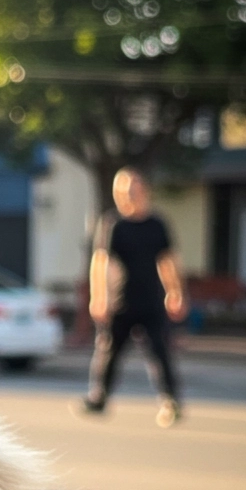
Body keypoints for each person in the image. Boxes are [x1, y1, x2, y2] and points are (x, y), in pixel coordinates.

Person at [82, 168, 187, 427]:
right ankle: (99, 398)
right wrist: (99, 297)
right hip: (120, 302)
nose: (129, 195)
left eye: (134, 189)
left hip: (151, 300)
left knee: (159, 353)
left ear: (144, 192)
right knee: (108, 351)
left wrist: (176, 292)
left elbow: (168, 261)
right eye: (124, 191)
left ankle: (169, 401)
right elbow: (100, 262)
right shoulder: (112, 223)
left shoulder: (157, 224)